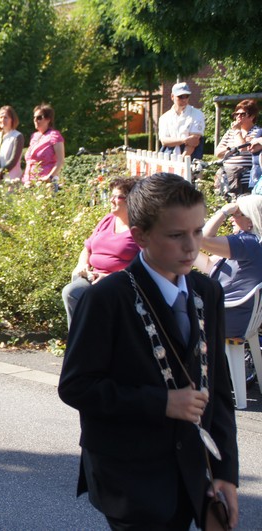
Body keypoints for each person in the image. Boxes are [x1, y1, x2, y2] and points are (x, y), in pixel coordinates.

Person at [59, 173, 239, 530]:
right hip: (129, 474)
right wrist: (162, 402)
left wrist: (225, 472)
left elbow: (218, 387)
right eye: (176, 235)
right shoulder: (106, 298)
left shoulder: (207, 292)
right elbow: (76, 386)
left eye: (197, 231)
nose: (191, 247)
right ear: (140, 235)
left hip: (191, 469)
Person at [62, 177, 140, 328]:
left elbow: (144, 265)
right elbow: (87, 247)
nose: (111, 200)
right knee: (71, 292)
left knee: (89, 297)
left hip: (121, 282)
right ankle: (78, 339)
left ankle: (93, 339)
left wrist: (111, 277)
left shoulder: (139, 229)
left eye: (117, 197)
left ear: (131, 200)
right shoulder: (108, 220)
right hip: (93, 276)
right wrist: (82, 264)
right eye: (111, 196)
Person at [195, 195, 262, 339]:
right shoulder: (253, 244)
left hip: (225, 317)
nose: (231, 218)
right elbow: (208, 265)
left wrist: (224, 212)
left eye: (236, 214)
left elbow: (202, 239)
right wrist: (180, 250)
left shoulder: (247, 243)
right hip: (236, 316)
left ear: (250, 221)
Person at [215, 99, 262, 197]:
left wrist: (237, 131)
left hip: (245, 177)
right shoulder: (230, 132)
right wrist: (232, 147)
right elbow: (218, 153)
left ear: (252, 116)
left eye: (242, 114)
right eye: (236, 114)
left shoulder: (258, 132)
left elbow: (242, 149)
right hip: (226, 176)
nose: (238, 117)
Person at [158, 82, 206, 159]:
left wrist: (182, 160)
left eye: (187, 96)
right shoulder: (164, 117)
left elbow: (194, 141)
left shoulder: (197, 114)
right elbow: (164, 141)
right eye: (180, 96)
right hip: (168, 156)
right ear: (172, 96)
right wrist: (184, 140)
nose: (184, 99)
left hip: (190, 157)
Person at [23, 103, 65, 185]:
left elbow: (60, 160)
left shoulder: (54, 135)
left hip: (45, 183)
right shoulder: (34, 136)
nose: (35, 120)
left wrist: (50, 177)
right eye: (34, 117)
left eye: (39, 117)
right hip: (29, 182)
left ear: (48, 119)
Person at [0, 105, 24, 184]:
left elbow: (13, 160)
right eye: (0, 117)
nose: (2, 120)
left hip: (10, 180)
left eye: (6, 117)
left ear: (12, 119)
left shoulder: (17, 136)